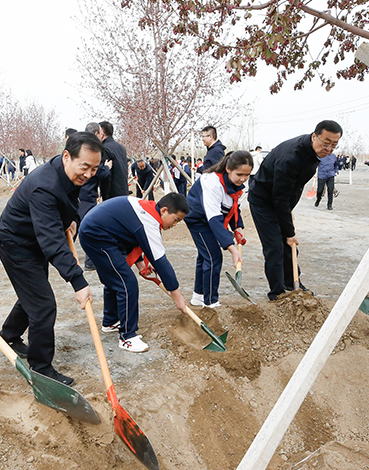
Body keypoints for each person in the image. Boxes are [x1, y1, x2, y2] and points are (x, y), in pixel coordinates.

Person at [0, 132, 101, 386]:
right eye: (85, 167)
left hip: (34, 241)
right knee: (43, 304)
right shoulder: (44, 185)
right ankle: (41, 369)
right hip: (16, 243)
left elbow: (67, 205)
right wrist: (78, 281)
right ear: (66, 156)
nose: (88, 174)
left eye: (94, 169)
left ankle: (9, 335)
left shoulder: (66, 173)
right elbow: (52, 241)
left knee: (34, 294)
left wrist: (71, 221)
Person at [79, 193, 189, 353]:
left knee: (115, 277)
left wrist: (141, 264)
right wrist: (176, 295)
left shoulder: (147, 210)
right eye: (176, 219)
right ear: (164, 210)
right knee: (127, 283)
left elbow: (132, 235)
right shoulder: (149, 220)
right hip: (97, 235)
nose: (175, 225)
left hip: (102, 232)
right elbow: (160, 261)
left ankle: (110, 321)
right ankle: (127, 337)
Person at [248, 120, 342, 300]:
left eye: (334, 145)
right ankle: (277, 293)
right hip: (263, 202)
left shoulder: (312, 152)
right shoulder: (290, 157)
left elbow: (290, 191)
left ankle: (292, 282)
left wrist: (288, 225)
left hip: (281, 200)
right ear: (314, 137)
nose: (329, 149)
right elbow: (280, 198)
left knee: (289, 246)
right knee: (275, 246)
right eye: (326, 143)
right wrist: (289, 232)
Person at [185, 151, 252, 307]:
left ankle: (199, 296)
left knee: (205, 255)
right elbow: (214, 219)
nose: (243, 179)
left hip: (212, 218)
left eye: (247, 175)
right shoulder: (212, 183)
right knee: (213, 257)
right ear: (228, 169)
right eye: (239, 174)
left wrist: (238, 227)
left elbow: (234, 207)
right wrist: (232, 249)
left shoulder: (234, 184)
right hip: (197, 219)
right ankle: (210, 302)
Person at [78, 122, 111, 270]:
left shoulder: (80, 146)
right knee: (89, 228)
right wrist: (107, 168)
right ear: (97, 133)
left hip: (76, 193)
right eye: (100, 133)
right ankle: (90, 262)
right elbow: (99, 172)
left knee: (74, 226)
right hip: (87, 195)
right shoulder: (93, 149)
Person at [97, 121, 129, 199]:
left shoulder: (104, 149)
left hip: (111, 193)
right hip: (123, 190)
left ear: (102, 134)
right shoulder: (121, 147)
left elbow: (106, 174)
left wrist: (104, 194)